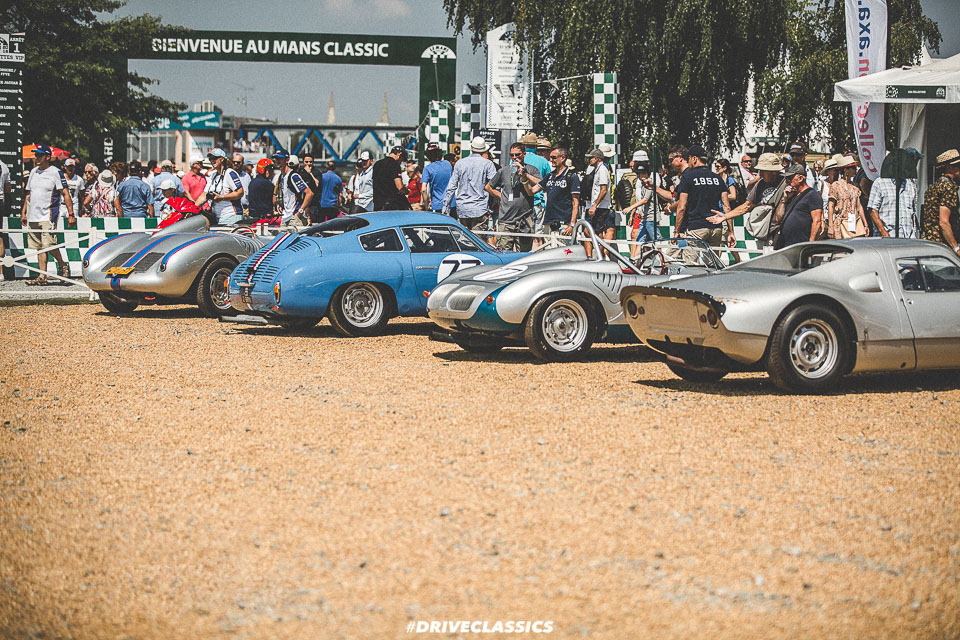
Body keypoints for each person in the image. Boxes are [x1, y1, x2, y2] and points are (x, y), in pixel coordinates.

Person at [20, 145, 73, 284]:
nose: (36, 157)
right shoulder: (33, 172)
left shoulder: (56, 172)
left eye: (39, 155)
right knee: (39, 247)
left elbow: (65, 193)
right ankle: (42, 277)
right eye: (36, 155)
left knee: (48, 245)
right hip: (33, 215)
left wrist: (71, 213)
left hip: (48, 215)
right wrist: (24, 212)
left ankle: (62, 264)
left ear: (47, 157)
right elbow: (28, 194)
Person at [674, 144, 733, 260]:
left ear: (694, 159)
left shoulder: (688, 177)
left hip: (696, 227)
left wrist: (677, 231)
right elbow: (727, 207)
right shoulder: (718, 179)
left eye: (689, 159)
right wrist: (730, 232)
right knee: (713, 264)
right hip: (716, 227)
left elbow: (681, 207)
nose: (688, 162)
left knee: (690, 264)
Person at [485, 142, 542, 252]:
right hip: (506, 219)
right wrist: (501, 196)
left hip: (525, 219)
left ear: (524, 154)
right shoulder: (504, 171)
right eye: (512, 155)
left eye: (518, 155)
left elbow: (540, 182)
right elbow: (488, 187)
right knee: (503, 253)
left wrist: (525, 174)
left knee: (523, 254)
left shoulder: (532, 169)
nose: (515, 158)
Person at [443, 137, 496, 230]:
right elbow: (495, 184)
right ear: (484, 150)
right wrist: (497, 201)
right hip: (480, 207)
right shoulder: (488, 164)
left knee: (464, 241)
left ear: (471, 148)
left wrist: (446, 208)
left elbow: (451, 187)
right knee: (478, 241)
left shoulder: (459, 163)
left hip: (463, 208)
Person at [775, 163, 824, 247]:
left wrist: (810, 244)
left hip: (801, 244)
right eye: (786, 178)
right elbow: (778, 218)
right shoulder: (791, 195)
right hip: (785, 244)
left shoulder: (812, 195)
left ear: (801, 178)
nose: (787, 181)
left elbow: (817, 221)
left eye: (789, 178)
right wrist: (784, 200)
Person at [920, 149, 960, 250]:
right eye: (958, 166)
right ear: (949, 168)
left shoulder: (933, 186)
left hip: (929, 243)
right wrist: (956, 248)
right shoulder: (948, 187)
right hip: (942, 246)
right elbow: (944, 222)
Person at [868, 163, 919, 239]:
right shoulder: (880, 182)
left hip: (908, 237)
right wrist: (883, 232)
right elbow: (872, 210)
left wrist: (913, 234)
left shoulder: (910, 184)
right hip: (887, 236)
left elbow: (913, 212)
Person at [197, 148, 244, 225]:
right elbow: (204, 195)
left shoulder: (229, 173)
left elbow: (240, 193)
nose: (212, 161)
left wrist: (222, 197)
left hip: (231, 215)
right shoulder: (213, 175)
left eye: (214, 158)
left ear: (222, 159)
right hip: (217, 217)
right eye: (210, 158)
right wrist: (192, 209)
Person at [542, 146, 580, 241]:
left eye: (554, 157)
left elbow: (576, 203)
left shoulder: (572, 176)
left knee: (564, 253)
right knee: (548, 253)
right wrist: (524, 177)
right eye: (550, 157)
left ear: (563, 158)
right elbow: (533, 190)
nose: (551, 160)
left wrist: (572, 225)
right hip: (548, 221)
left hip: (564, 223)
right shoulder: (550, 176)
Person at [827, 156, 867, 239]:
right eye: (853, 168)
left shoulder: (855, 186)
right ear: (845, 170)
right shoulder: (836, 186)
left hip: (856, 222)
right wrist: (830, 226)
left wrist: (865, 224)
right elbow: (830, 206)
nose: (855, 170)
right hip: (841, 223)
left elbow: (859, 206)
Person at [519, 132, 551, 233]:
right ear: (536, 146)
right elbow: (549, 181)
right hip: (537, 200)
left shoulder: (517, 160)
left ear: (524, 145)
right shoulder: (543, 161)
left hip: (521, 201)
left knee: (521, 232)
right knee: (538, 233)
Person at [583, 148, 614, 250]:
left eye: (592, 158)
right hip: (599, 206)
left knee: (594, 231)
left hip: (601, 207)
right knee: (591, 231)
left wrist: (595, 206)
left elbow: (604, 190)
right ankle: (600, 251)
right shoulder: (598, 169)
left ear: (598, 159)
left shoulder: (602, 170)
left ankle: (601, 253)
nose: (590, 160)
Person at [271, 149, 312, 225]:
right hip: (284, 217)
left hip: (294, 218)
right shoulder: (281, 177)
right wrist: (279, 205)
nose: (277, 161)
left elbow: (309, 193)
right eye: (276, 158)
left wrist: (300, 212)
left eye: (280, 159)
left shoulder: (293, 176)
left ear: (287, 160)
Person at [372, 146, 408, 211]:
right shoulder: (394, 164)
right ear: (399, 155)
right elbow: (400, 187)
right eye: (402, 159)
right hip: (391, 204)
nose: (401, 162)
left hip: (377, 203)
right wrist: (406, 191)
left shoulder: (377, 164)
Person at [420, 143, 452, 213]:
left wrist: (426, 206)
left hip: (438, 205)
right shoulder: (448, 164)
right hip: (451, 203)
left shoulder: (427, 169)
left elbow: (423, 189)